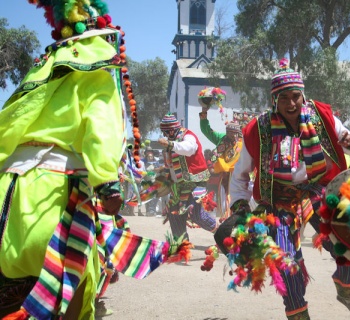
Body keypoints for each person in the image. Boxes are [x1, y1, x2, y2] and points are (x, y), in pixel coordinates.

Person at [0, 2, 191, 318]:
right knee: (77, 275)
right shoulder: (98, 66)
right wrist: (107, 186)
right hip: (51, 195)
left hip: (8, 192)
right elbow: (100, 128)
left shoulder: (41, 68)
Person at [225, 58, 350, 320]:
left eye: (295, 97)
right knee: (286, 265)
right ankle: (298, 315)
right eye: (284, 99)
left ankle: (348, 292)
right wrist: (239, 209)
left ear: (302, 95)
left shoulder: (321, 116)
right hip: (278, 201)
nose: (291, 104)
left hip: (319, 191)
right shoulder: (258, 129)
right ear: (275, 100)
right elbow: (239, 176)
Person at [158, 113, 218, 240]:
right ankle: (182, 244)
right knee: (174, 213)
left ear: (172, 130)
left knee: (196, 214)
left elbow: (189, 149)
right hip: (179, 186)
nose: (164, 135)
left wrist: (170, 144)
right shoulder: (172, 143)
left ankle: (222, 232)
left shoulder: (188, 136)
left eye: (166, 132)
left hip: (195, 183)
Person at [198, 87, 243, 219]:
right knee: (224, 205)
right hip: (224, 178)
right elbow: (206, 130)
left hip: (240, 178)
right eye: (229, 132)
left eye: (233, 133)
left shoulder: (242, 143)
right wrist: (204, 111)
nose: (231, 135)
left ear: (238, 133)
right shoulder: (221, 138)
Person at [142, 147, 164, 216]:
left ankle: (152, 210)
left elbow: (159, 170)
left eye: (151, 152)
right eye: (148, 152)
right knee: (147, 197)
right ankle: (148, 211)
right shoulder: (143, 163)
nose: (150, 156)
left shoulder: (156, 162)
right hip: (147, 182)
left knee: (154, 196)